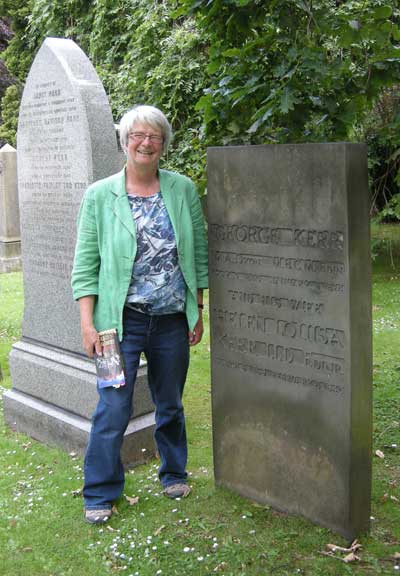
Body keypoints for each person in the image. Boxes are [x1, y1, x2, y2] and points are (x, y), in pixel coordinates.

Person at [71, 105, 208, 524]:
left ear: (163, 144)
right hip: (117, 324)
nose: (146, 143)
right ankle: (100, 491)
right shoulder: (99, 195)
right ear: (125, 141)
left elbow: (198, 251)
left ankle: (173, 473)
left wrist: (197, 308)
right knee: (112, 405)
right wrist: (88, 322)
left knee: (170, 403)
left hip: (170, 320)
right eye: (138, 136)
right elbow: (85, 264)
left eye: (155, 137)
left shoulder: (182, 189)